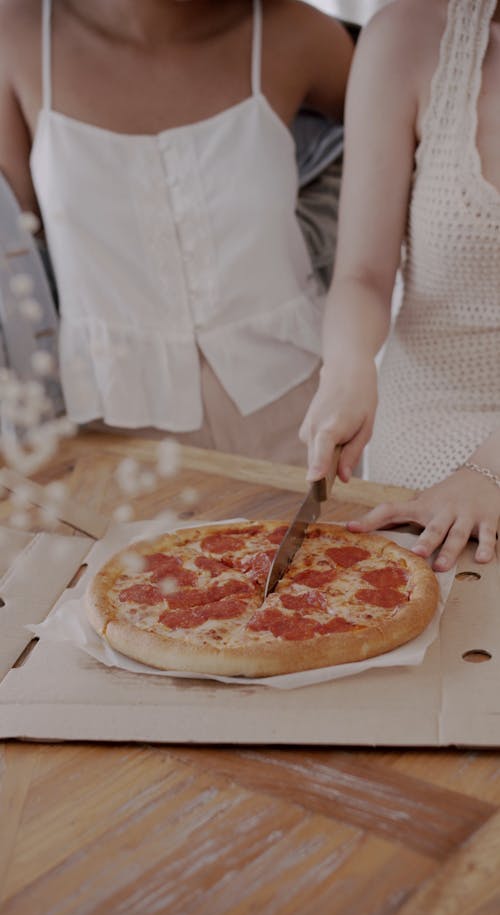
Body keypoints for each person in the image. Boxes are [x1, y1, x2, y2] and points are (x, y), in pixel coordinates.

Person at [0, 0, 353, 464]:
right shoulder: (15, 33)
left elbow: (409, 155)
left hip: (301, 420)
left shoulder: (293, 31)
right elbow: (16, 254)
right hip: (108, 436)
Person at [300, 0, 500, 570]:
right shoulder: (404, 36)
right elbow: (362, 274)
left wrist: (489, 471)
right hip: (420, 433)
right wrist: (346, 366)